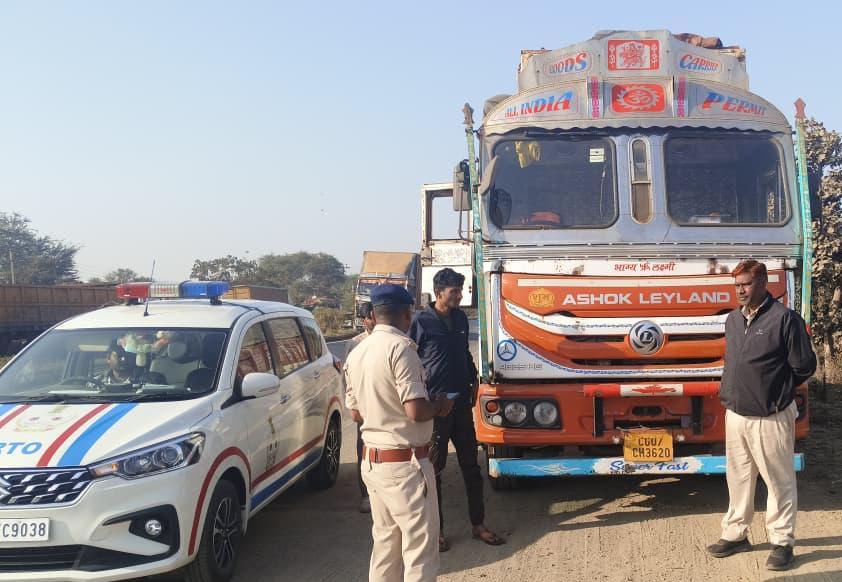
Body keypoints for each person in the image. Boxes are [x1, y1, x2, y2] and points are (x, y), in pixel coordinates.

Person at [706, 260, 816, 571]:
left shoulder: (785, 319)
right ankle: (735, 534)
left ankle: (782, 542)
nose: (740, 290)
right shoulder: (733, 319)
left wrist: (776, 391)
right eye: (737, 285)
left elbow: (804, 366)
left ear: (764, 283)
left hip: (771, 415)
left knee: (778, 481)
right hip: (737, 413)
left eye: (746, 284)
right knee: (738, 478)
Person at [344, 284, 455, 582]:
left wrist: (382, 410)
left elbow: (355, 413)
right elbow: (416, 410)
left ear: (374, 313)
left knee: (386, 546)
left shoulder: (358, 352)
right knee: (420, 551)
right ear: (407, 314)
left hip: (373, 462)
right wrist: (440, 406)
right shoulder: (402, 349)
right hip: (405, 465)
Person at [409, 268, 505, 552]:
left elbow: (464, 352)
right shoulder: (421, 322)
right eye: (455, 291)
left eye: (461, 291)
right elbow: (409, 361)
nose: (460, 296)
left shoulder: (461, 318)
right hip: (435, 410)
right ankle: (437, 531)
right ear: (439, 292)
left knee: (471, 468)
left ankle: (479, 524)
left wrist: (474, 380)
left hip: (461, 405)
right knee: (434, 472)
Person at [345, 301, 375, 513]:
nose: (374, 320)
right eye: (370, 317)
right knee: (364, 450)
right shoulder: (355, 344)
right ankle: (366, 495)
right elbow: (348, 379)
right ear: (364, 321)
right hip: (365, 406)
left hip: (387, 405)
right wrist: (354, 405)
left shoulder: (394, 340)